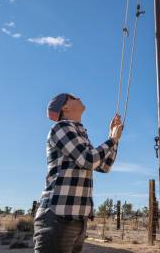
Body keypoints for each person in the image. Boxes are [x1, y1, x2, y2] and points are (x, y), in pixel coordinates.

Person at [33, 93, 123, 253]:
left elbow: (103, 166)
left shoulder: (80, 135)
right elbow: (88, 159)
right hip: (56, 218)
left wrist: (112, 137)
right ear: (65, 107)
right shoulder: (60, 127)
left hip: (77, 221)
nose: (79, 97)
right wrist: (112, 140)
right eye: (73, 97)